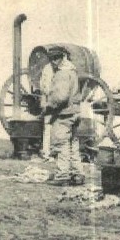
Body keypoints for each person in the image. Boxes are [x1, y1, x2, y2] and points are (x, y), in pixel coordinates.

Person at [43, 46, 83, 186]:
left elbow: (61, 97)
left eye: (56, 58)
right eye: (52, 58)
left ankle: (63, 175)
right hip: (75, 112)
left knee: (62, 144)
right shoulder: (72, 71)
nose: (54, 61)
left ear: (62, 57)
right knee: (73, 144)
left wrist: (48, 107)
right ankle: (77, 174)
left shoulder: (62, 74)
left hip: (63, 114)